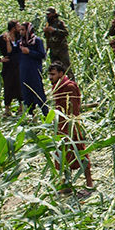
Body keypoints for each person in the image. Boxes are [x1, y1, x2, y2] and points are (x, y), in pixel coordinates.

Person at [49, 62, 92, 190]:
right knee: (62, 155)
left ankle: (89, 183)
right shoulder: (56, 87)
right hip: (60, 126)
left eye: (53, 74)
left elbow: (75, 107)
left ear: (61, 74)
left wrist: (73, 125)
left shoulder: (70, 86)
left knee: (80, 152)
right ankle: (66, 184)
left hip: (70, 125)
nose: (50, 77)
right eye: (49, 74)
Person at [16, 22, 48, 114]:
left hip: (34, 71)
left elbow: (42, 55)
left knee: (38, 92)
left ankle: (46, 113)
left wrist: (29, 52)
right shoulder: (20, 43)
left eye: (23, 30)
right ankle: (32, 115)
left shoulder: (37, 41)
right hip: (24, 72)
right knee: (27, 93)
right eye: (20, 30)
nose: (21, 32)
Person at [43, 8, 72, 74]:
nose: (47, 16)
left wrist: (55, 30)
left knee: (66, 67)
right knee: (54, 68)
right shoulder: (47, 24)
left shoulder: (59, 23)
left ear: (53, 14)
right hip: (53, 49)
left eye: (49, 14)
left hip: (61, 49)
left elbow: (65, 33)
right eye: (47, 14)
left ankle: (71, 81)